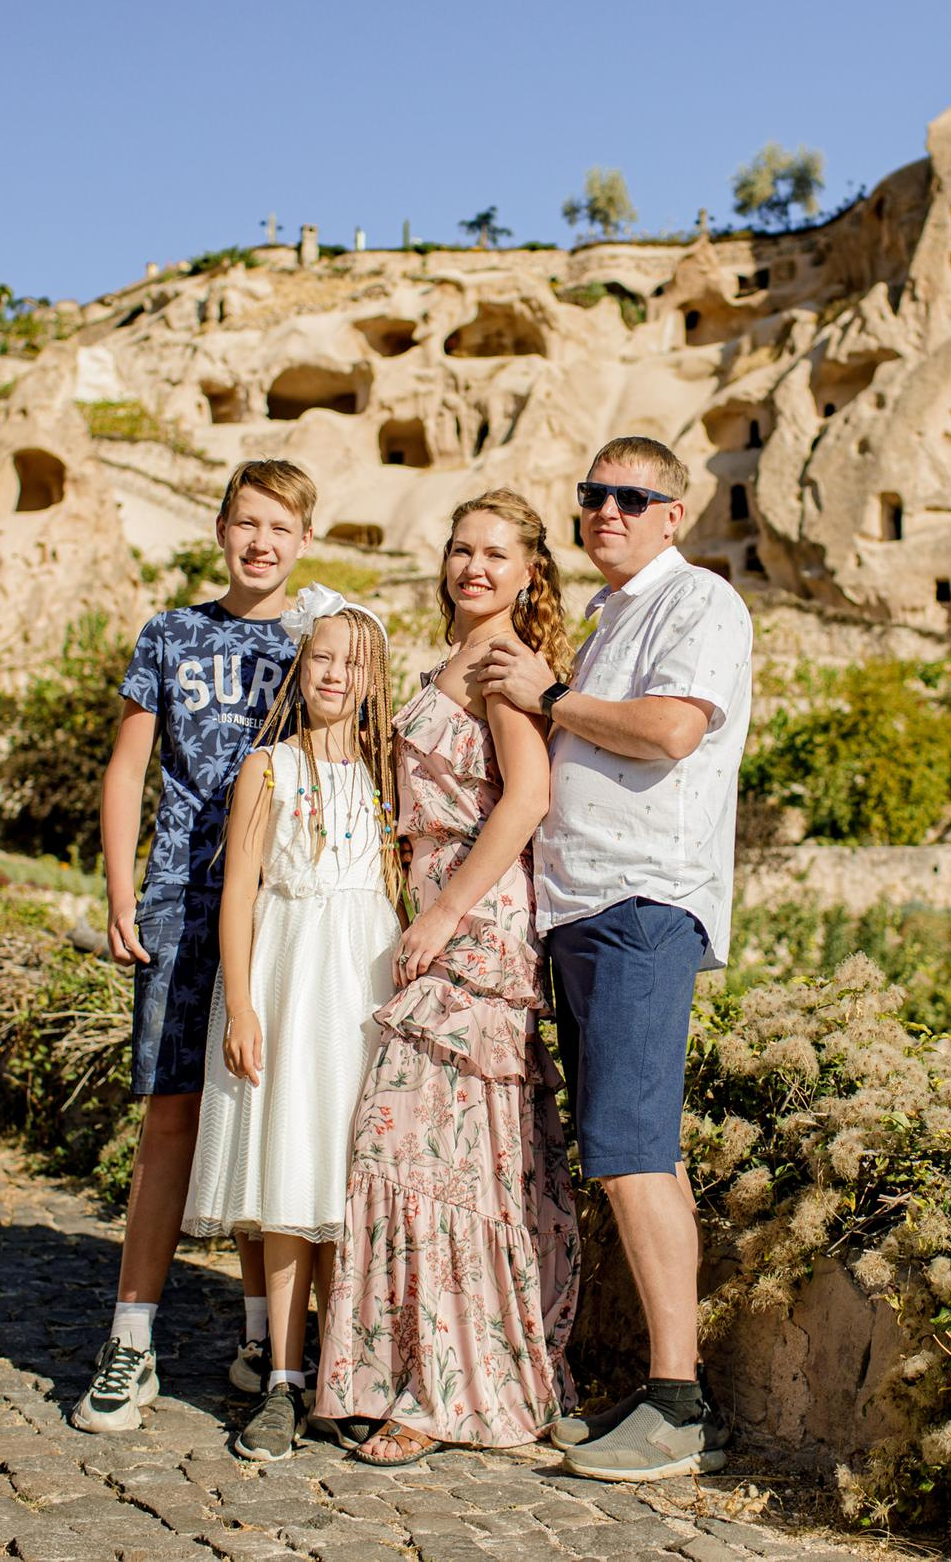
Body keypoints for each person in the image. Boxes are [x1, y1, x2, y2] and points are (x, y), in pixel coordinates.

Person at [468, 437, 752, 1483]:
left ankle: (679, 1405)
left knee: (634, 1155)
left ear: (674, 514)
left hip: (641, 902)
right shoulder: (609, 617)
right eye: (593, 495)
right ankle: (660, 1392)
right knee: (626, 1152)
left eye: (633, 497)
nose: (608, 511)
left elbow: (671, 729)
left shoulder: (699, 601)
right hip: (583, 910)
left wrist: (551, 696)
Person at [314, 489, 583, 1466]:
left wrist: (441, 915)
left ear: (528, 572)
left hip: (476, 921)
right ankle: (415, 1376)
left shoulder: (504, 665)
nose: (474, 566)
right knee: (442, 1151)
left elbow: (527, 799)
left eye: (496, 554)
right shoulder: (452, 660)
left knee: (417, 1146)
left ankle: (440, 1391)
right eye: (462, 549)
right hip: (435, 908)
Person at [76, 460, 315, 1434]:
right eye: (247, 523)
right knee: (170, 1115)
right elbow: (128, 766)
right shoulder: (170, 634)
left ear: (304, 540)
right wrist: (121, 888)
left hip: (283, 906)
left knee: (266, 1110)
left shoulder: (315, 641)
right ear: (220, 530)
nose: (262, 542)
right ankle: (130, 1341)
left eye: (281, 527)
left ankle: (263, 1337)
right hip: (183, 892)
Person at [185, 588, 404, 1461]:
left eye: (353, 663)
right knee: (287, 1173)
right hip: (286, 975)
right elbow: (238, 890)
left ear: (373, 679)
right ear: (300, 666)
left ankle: (340, 1375)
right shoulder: (267, 768)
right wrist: (241, 1003)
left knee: (343, 1184)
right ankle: (281, 1374)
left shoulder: (387, 777)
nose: (335, 675)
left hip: (359, 988)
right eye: (322, 658)